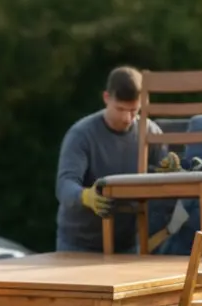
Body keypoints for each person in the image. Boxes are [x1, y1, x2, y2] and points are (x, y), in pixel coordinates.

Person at [55, 65, 165, 255]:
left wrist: (172, 170)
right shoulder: (82, 135)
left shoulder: (151, 133)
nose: (127, 118)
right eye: (120, 109)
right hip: (78, 245)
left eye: (134, 110)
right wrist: (86, 196)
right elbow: (64, 185)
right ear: (106, 98)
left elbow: (166, 187)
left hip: (128, 246)